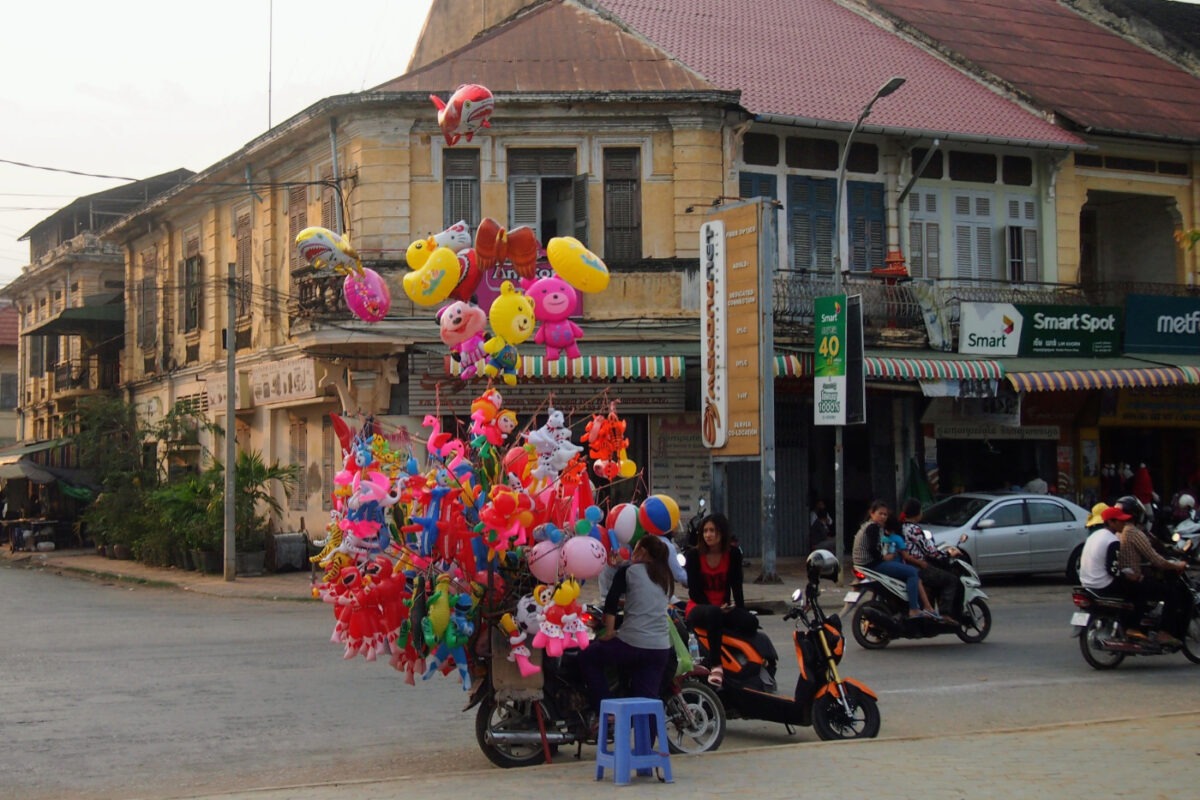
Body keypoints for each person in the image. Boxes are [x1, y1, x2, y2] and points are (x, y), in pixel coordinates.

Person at [579, 534, 674, 719]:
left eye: (635, 548)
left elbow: (611, 601)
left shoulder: (629, 571)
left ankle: (606, 710)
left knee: (587, 656)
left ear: (642, 551)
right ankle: (647, 747)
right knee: (647, 703)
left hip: (633, 645)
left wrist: (609, 631)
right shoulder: (665, 576)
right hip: (660, 648)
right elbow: (646, 601)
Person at [683, 512, 756, 689]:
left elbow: (737, 587)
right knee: (714, 613)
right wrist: (715, 607)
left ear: (722, 533)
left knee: (751, 621)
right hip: (699, 607)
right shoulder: (693, 555)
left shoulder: (733, 555)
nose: (708, 535)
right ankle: (716, 665)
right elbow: (694, 592)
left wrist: (740, 609)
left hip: (722, 608)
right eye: (705, 531)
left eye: (712, 531)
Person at [1112, 497, 1189, 646]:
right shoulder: (1133, 532)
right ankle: (1164, 633)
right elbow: (1155, 559)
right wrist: (1176, 566)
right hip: (1133, 579)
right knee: (1171, 593)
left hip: (1121, 578)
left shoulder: (1117, 532)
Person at [852, 500, 936, 620]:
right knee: (912, 572)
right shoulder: (873, 527)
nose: (883, 517)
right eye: (880, 514)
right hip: (872, 564)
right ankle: (914, 609)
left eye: (885, 515)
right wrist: (884, 557)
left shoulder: (867, 526)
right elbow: (872, 549)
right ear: (872, 513)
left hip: (863, 565)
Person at [899, 498, 962, 622]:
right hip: (918, 567)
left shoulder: (901, 527)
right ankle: (944, 614)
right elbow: (930, 551)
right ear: (917, 514)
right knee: (951, 580)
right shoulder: (913, 529)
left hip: (906, 565)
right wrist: (948, 554)